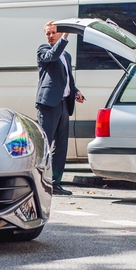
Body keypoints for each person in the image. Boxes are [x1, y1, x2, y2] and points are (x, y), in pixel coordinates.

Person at [36, 21, 85, 196]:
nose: (50, 36)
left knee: (61, 146)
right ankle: (39, 181)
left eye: (53, 33)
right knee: (45, 144)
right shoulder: (43, 50)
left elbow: (67, 79)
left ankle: (55, 183)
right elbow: (52, 56)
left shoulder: (67, 56)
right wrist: (64, 36)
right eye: (48, 33)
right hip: (48, 104)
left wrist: (76, 91)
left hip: (64, 103)